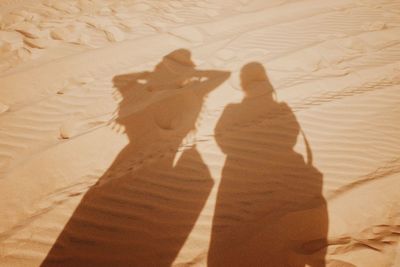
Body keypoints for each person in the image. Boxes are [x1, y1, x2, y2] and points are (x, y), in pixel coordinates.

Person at [42, 49, 230, 267]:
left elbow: (223, 75)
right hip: (141, 152)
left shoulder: (194, 89)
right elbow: (118, 79)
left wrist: (187, 74)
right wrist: (170, 76)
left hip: (147, 155)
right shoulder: (157, 90)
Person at [208, 62, 327, 267]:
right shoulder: (282, 108)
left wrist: (243, 150)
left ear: (244, 84)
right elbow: (291, 135)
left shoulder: (231, 110)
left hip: (239, 178)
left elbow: (221, 140)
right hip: (281, 175)